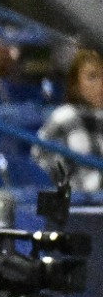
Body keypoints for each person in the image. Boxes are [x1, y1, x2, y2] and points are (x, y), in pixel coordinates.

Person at [36, 47, 103, 191]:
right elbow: (40, 166)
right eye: (92, 76)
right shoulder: (65, 117)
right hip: (77, 204)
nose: (101, 85)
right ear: (75, 85)